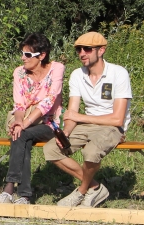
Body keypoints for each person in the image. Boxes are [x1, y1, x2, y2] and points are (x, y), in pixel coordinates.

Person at [43, 31, 132, 207]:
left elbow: (118, 119)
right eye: (79, 49)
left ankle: (81, 191)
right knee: (51, 149)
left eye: (87, 49)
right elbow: (72, 112)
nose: (82, 53)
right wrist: (66, 131)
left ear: (101, 50)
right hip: (86, 126)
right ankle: (95, 187)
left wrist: (79, 117)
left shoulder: (118, 74)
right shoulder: (77, 75)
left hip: (112, 127)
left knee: (90, 152)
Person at [0, 33, 65, 205]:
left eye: (27, 55)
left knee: (21, 134)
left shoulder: (57, 69)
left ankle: (10, 187)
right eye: (22, 53)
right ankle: (24, 194)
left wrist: (23, 124)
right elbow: (19, 104)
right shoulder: (19, 73)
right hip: (26, 122)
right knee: (22, 136)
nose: (22, 58)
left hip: (49, 123)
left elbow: (48, 102)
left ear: (42, 56)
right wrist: (19, 121)